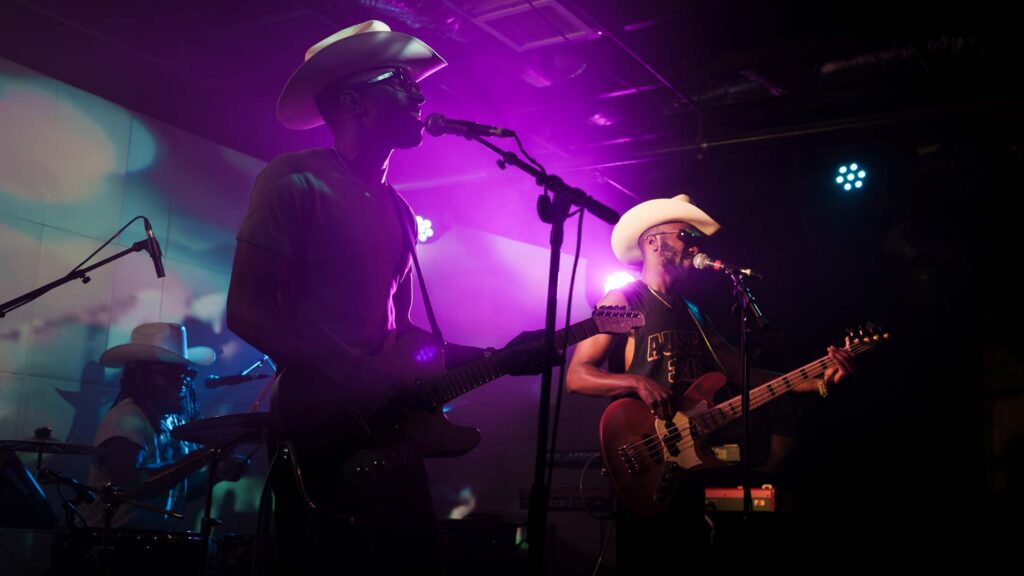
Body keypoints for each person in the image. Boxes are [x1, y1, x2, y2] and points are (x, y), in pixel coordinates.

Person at [227, 19, 542, 574]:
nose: (419, 93)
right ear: (354, 100)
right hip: (319, 423)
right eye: (400, 80)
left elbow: (405, 338)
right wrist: (354, 372)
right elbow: (246, 309)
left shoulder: (398, 207)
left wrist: (500, 356)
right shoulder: (293, 180)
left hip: (388, 430)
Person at [566, 194, 854, 565]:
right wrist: (635, 383)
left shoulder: (694, 312)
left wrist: (819, 380)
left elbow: (741, 373)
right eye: (686, 234)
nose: (695, 244)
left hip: (689, 460)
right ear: (653, 241)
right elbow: (577, 375)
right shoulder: (623, 300)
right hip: (643, 455)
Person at [81, 322, 246, 529]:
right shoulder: (125, 418)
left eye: (185, 374)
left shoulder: (171, 422)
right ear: (142, 377)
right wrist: (206, 454)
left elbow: (179, 490)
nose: (181, 382)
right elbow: (136, 484)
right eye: (169, 375)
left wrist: (217, 473)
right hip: (112, 546)